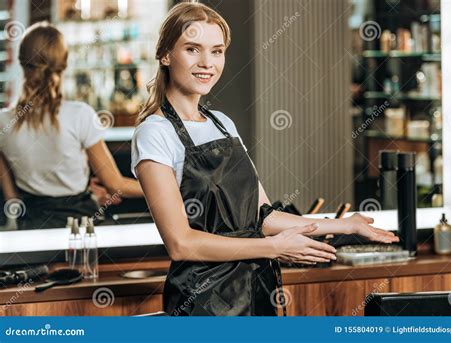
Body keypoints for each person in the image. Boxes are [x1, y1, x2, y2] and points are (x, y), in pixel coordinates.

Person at [132, 2, 399, 316]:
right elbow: (182, 243)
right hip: (202, 303)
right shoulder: (155, 133)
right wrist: (273, 247)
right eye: (193, 49)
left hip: (258, 289)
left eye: (217, 51)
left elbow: (263, 217)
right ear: (165, 55)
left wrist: (346, 225)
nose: (207, 63)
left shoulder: (222, 123)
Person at [0, 22, 143, 230]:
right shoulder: (80, 114)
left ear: (22, 63)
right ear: (63, 64)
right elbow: (115, 185)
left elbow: (12, 196)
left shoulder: (3, 122)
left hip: (31, 227)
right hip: (79, 227)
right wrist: (170, 189)